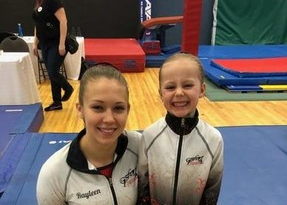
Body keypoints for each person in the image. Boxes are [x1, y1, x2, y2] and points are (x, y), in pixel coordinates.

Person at [37, 64, 142, 204]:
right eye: (98, 107)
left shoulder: (139, 147)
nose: (109, 119)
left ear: (127, 110)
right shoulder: (54, 173)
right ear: (80, 109)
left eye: (118, 108)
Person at [138, 53, 224, 205]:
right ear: (161, 94)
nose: (179, 92)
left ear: (202, 90)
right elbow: (142, 184)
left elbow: (212, 189)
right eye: (170, 87)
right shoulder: (150, 136)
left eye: (187, 85)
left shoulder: (213, 139)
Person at [30, 0, 74, 111]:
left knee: (53, 71)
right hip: (45, 43)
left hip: (56, 42)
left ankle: (68, 88)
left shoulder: (52, 0)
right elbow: (38, 24)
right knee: (51, 72)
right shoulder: (39, 1)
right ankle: (57, 102)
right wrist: (35, 43)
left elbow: (63, 21)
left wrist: (61, 44)